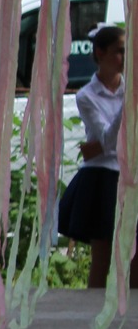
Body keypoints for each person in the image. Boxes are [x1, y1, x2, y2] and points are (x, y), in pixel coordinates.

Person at [58, 25, 129, 289]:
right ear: (100, 53)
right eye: (119, 51)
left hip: (130, 174)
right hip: (104, 177)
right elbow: (109, 141)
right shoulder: (86, 96)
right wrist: (128, 105)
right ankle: (92, 310)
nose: (125, 58)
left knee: (134, 257)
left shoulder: (128, 88)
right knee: (103, 257)